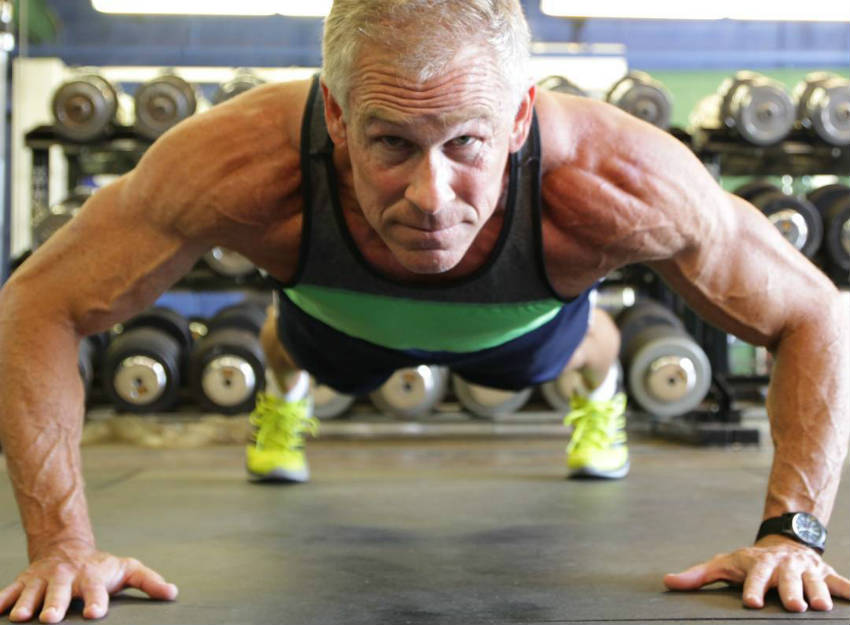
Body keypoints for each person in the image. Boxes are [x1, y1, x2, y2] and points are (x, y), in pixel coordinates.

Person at [0, 0, 847, 621]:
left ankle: (600, 398)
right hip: (334, 323)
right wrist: (63, 547)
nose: (432, 196)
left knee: (588, 344)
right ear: (335, 116)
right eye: (392, 143)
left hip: (521, 331)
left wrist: (793, 534)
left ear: (518, 119)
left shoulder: (616, 178)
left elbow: (813, 313)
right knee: (287, 346)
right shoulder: (234, 162)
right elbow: (37, 303)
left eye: (466, 143)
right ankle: (281, 400)